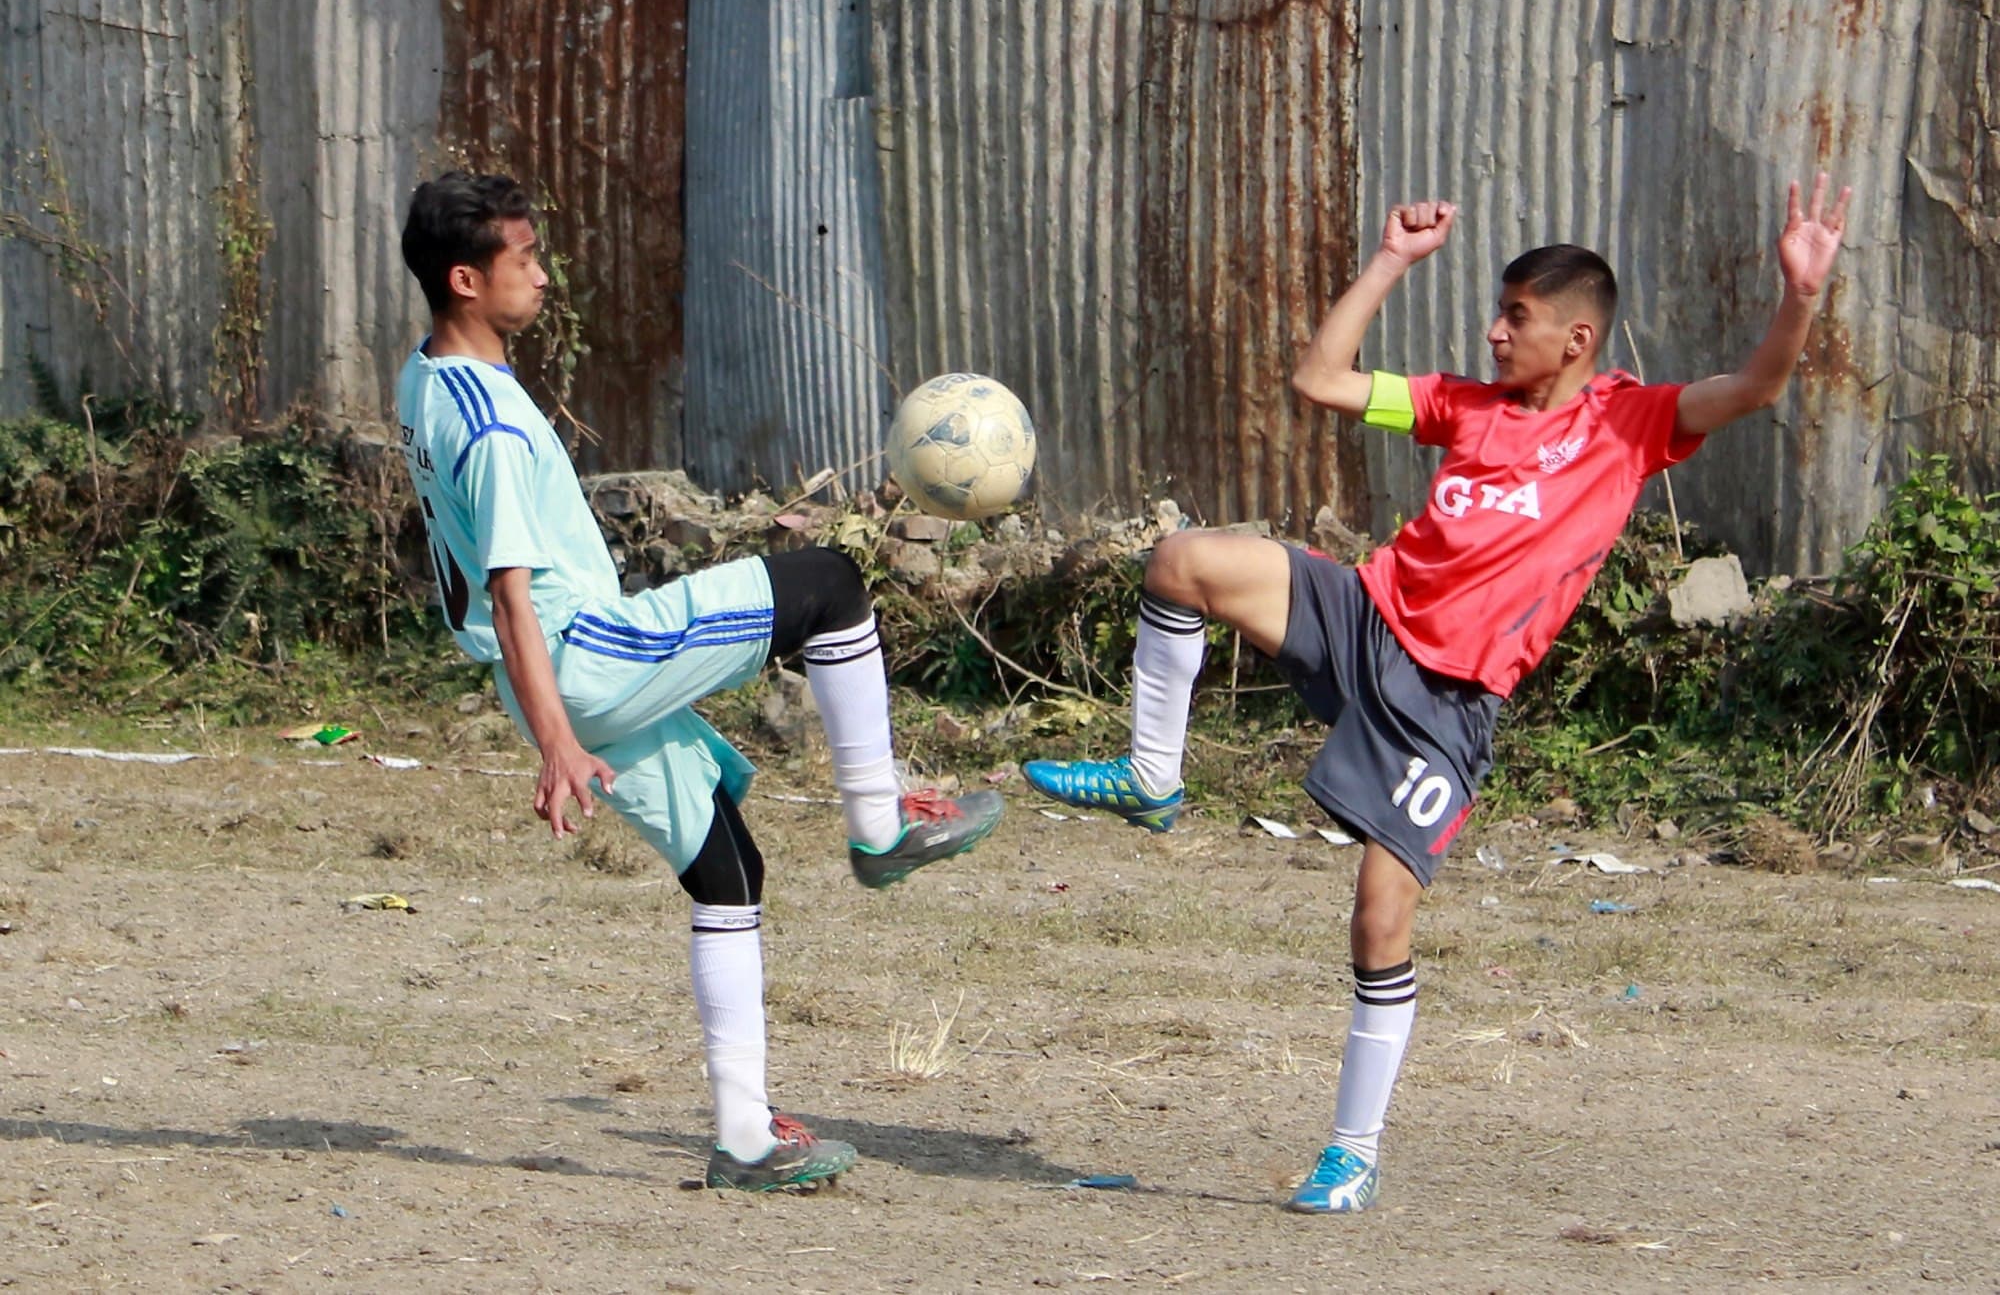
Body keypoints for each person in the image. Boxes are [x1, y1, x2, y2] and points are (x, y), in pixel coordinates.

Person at [1025, 174, 1852, 1212]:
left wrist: (1800, 296)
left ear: (1577, 339)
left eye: (1516, 317)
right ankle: (1151, 773)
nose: (1495, 333)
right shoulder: (1461, 404)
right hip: (1362, 617)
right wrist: (1388, 261)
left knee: (1377, 923)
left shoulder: (1628, 424)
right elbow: (1320, 379)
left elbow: (1757, 387)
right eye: (1497, 313)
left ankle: (1352, 1152)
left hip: (1447, 700)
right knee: (1181, 559)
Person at [394, 171, 1005, 1192]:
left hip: (543, 672)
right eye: (524, 260)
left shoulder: (426, 380)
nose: (544, 277)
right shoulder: (492, 427)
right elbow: (508, 595)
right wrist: (558, 744)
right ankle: (878, 826)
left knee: (726, 869)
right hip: (584, 653)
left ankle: (744, 1139)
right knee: (830, 585)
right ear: (466, 278)